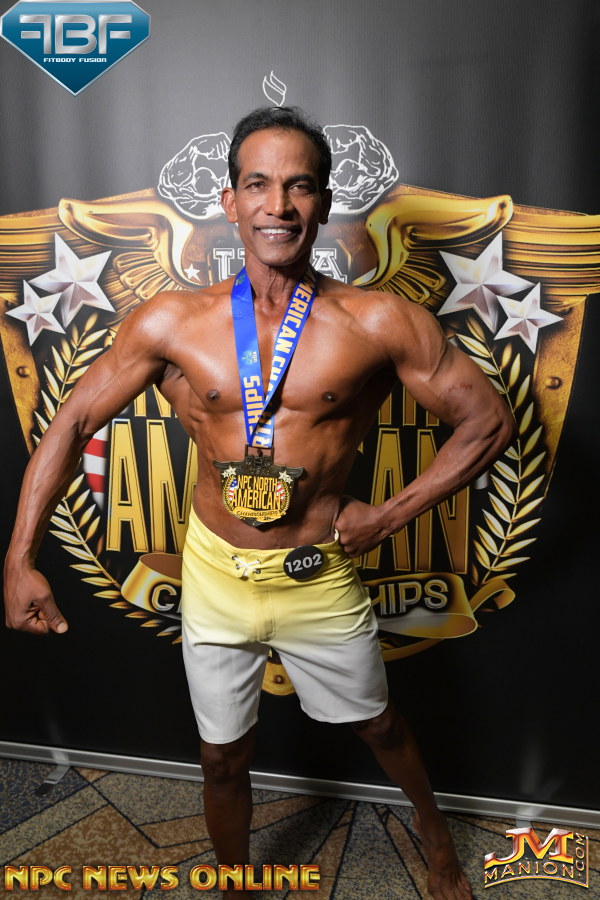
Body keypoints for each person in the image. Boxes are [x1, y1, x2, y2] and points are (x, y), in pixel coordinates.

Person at [4, 107, 514, 899]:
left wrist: (385, 517)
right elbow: (70, 421)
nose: (279, 205)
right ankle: (237, 884)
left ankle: (434, 833)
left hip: (316, 572)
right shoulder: (173, 321)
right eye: (258, 184)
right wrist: (18, 558)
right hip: (214, 573)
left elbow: (489, 422)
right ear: (229, 200)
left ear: (324, 202)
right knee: (220, 757)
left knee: (379, 725)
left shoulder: (379, 320)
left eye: (299, 186)